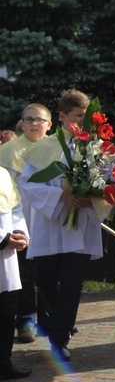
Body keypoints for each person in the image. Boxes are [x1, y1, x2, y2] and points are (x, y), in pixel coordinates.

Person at [19, 90, 115, 361]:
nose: (83, 124)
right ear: (61, 117)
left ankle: (60, 339)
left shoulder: (97, 147)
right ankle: (51, 327)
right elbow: (28, 183)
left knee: (72, 283)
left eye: (87, 119)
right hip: (51, 225)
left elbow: (112, 182)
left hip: (81, 224)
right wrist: (61, 195)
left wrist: (93, 197)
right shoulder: (44, 148)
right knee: (46, 280)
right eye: (77, 118)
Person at [0, 103, 52, 343]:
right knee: (24, 273)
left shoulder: (57, 149)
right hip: (21, 220)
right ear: (21, 123)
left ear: (49, 124)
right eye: (28, 119)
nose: (33, 124)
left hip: (50, 219)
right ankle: (26, 319)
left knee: (49, 272)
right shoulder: (9, 151)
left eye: (39, 120)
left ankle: (51, 319)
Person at [0, 165, 31, 380]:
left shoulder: (3, 174)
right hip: (3, 244)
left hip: (6, 258)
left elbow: (16, 207)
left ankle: (3, 362)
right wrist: (3, 238)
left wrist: (19, 232)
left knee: (6, 311)